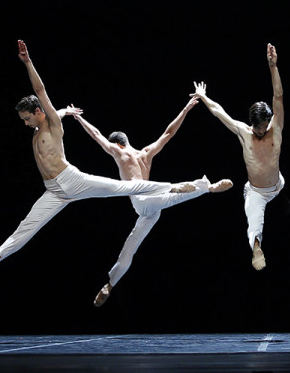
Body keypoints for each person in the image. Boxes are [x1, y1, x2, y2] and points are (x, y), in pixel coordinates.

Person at [0, 40, 197, 278]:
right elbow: (59, 112)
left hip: (72, 180)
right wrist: (68, 111)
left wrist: (27, 63)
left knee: (122, 187)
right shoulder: (40, 127)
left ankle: (175, 187)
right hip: (53, 191)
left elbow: (40, 91)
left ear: (38, 112)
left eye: (27, 118)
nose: (25, 123)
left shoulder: (51, 122)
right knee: (27, 226)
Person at [67, 98, 233, 306]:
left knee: (164, 199)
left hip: (142, 199)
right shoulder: (145, 153)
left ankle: (193, 187)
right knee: (131, 245)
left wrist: (78, 118)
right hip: (152, 207)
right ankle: (110, 284)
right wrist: (186, 109)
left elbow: (96, 135)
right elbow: (168, 133)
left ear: (118, 143)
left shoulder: (120, 152)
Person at [190, 43, 284, 270]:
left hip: (278, 185)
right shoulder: (245, 132)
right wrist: (203, 96)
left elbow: (278, 96)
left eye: (264, 126)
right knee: (253, 222)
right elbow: (219, 112)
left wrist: (273, 66)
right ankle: (257, 247)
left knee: (285, 204)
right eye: (258, 127)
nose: (262, 131)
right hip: (256, 191)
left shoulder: (276, 128)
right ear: (252, 124)